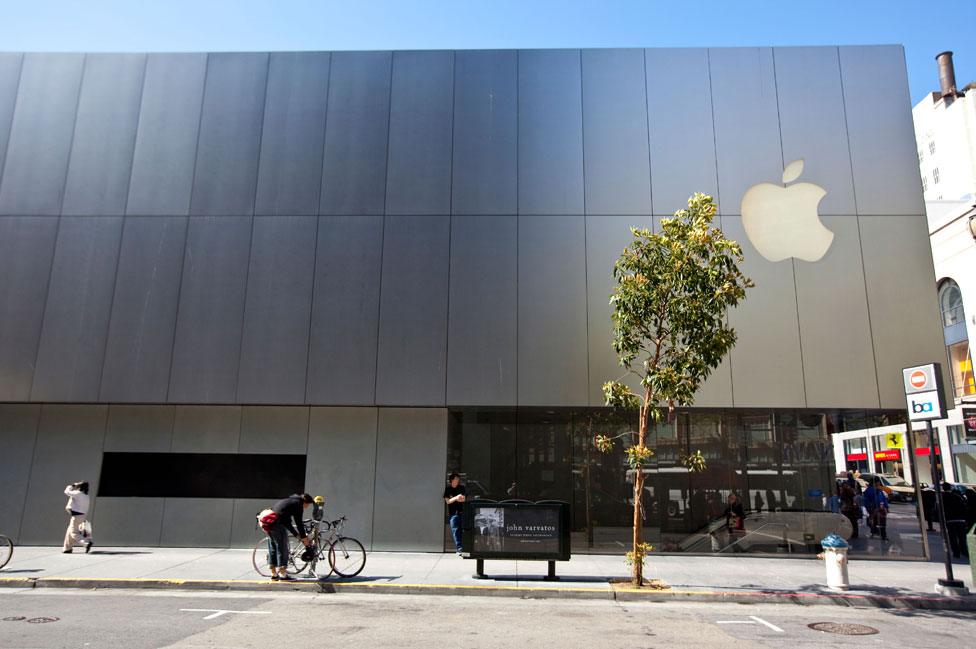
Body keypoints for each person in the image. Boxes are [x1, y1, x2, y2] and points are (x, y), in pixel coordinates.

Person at [267, 493, 313, 581]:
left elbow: (287, 522)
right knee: (282, 548)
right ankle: (283, 574)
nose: (307, 507)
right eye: (308, 504)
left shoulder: (290, 501)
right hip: (278, 524)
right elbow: (299, 524)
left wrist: (297, 535)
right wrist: (304, 538)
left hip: (270, 523)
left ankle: (274, 574)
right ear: (305, 502)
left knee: (273, 548)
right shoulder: (298, 505)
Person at [62, 481, 92, 554]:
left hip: (76, 516)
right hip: (82, 516)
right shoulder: (86, 495)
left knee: (73, 532)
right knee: (69, 530)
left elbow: (66, 492)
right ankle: (67, 548)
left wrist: (73, 485)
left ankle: (86, 543)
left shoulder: (78, 494)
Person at [941, 483, 969, 558]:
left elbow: (939, 509)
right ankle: (964, 551)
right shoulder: (957, 497)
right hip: (960, 519)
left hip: (950, 519)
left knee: (952, 537)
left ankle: (956, 552)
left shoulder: (941, 497)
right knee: (962, 537)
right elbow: (964, 507)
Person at [443, 472, 466, 555]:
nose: (457, 480)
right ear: (451, 480)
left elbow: (463, 499)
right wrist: (456, 497)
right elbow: (448, 501)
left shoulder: (462, 488)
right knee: (455, 531)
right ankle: (459, 549)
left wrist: (455, 499)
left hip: (461, 512)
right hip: (453, 514)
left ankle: (465, 548)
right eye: (456, 479)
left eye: (458, 479)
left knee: (463, 530)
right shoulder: (448, 489)